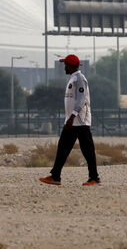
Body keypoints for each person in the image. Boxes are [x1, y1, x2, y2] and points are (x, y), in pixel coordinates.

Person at [39, 55, 100, 186]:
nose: (64, 67)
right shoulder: (73, 78)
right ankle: (55, 176)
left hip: (80, 120)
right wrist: (70, 118)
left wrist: (72, 116)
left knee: (87, 149)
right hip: (72, 121)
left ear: (71, 65)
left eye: (66, 64)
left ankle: (94, 177)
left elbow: (82, 99)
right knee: (63, 147)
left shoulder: (79, 78)